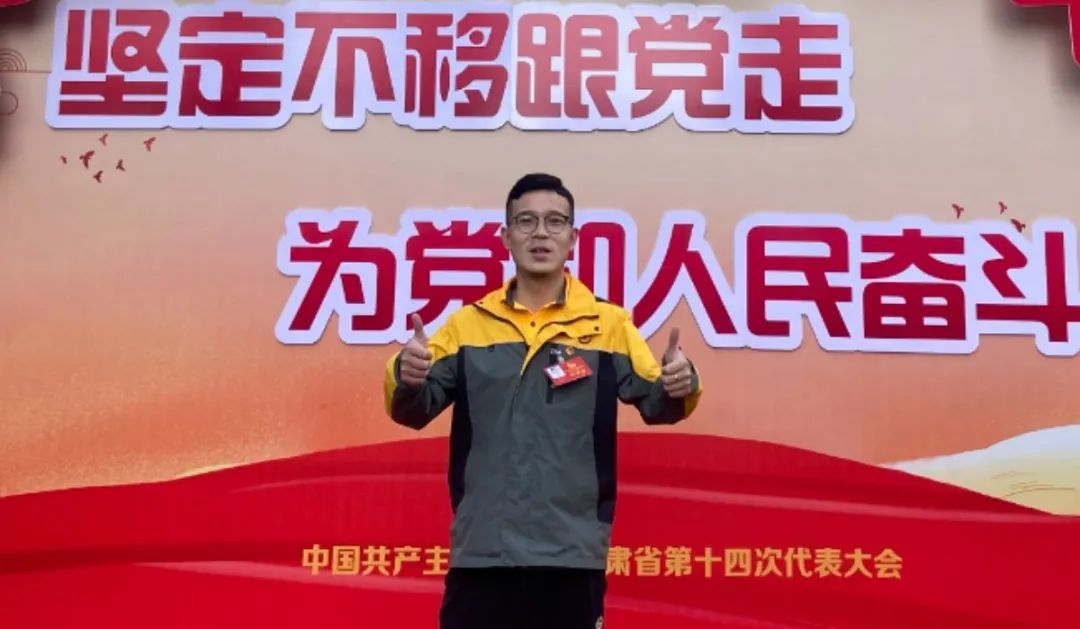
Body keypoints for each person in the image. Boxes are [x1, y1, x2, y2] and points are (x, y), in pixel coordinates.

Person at [383, 173, 702, 629]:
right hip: (483, 551)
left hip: (570, 553)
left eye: (555, 222)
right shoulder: (467, 325)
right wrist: (406, 375)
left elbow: (657, 402)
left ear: (573, 238)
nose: (540, 233)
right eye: (526, 221)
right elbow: (413, 408)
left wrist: (680, 382)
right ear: (506, 236)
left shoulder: (608, 324)